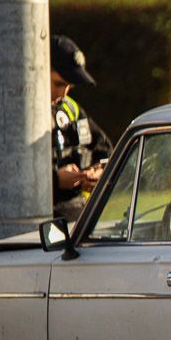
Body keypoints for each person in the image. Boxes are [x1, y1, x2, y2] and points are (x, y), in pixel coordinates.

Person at [50, 34, 111, 223]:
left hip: (78, 218)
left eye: (70, 86)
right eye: (58, 84)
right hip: (41, 224)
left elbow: (105, 150)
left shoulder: (70, 109)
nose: (64, 93)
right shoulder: (20, 119)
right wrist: (56, 181)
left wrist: (99, 172)